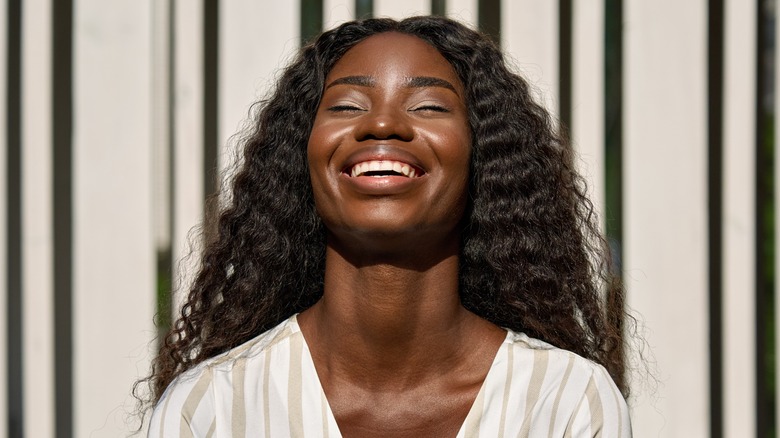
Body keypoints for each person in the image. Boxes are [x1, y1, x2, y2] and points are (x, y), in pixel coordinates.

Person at [143, 15, 631, 437]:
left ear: (485, 157)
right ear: (302, 156)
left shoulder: (567, 401)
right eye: (348, 106)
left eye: (428, 107)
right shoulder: (209, 408)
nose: (382, 125)